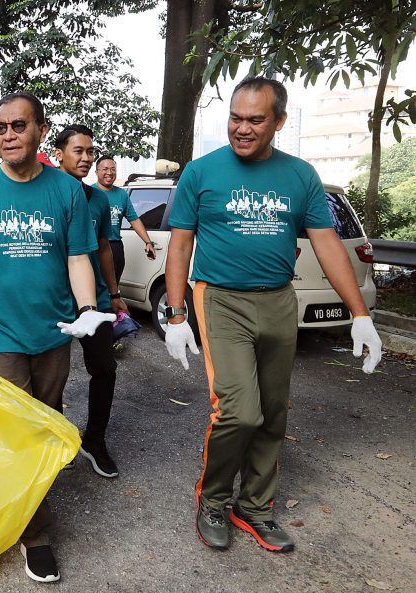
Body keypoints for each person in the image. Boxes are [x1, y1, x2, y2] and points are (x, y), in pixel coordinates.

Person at [164, 77, 383, 554]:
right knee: (239, 410)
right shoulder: (201, 173)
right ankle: (215, 500)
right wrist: (176, 314)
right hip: (220, 299)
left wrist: (359, 315)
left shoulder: (299, 176)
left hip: (280, 300)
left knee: (274, 411)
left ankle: (256, 507)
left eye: (255, 119)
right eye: (235, 118)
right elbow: (180, 242)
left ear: (279, 121)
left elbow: (326, 242)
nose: (242, 129)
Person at [0, 92, 114, 584]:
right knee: (10, 431)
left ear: (41, 130)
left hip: (54, 332)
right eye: (0, 128)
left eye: (19, 126)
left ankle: (26, 502)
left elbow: (78, 256)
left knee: (44, 422)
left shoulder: (65, 191)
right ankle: (33, 533)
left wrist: (87, 309)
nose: (8, 135)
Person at [53, 125, 126, 477]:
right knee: (51, 377)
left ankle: (94, 440)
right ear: (59, 154)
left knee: (105, 370)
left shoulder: (98, 198)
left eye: (90, 152)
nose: (85, 158)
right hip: (53, 301)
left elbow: (104, 249)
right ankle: (54, 441)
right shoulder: (47, 192)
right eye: (78, 151)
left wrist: (113, 293)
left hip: (94, 300)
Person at [92, 155, 155, 284]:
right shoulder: (89, 192)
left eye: (113, 169)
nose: (109, 173)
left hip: (115, 247)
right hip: (94, 246)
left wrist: (148, 242)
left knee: (112, 287)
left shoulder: (121, 194)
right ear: (96, 171)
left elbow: (134, 219)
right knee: (94, 287)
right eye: (105, 169)